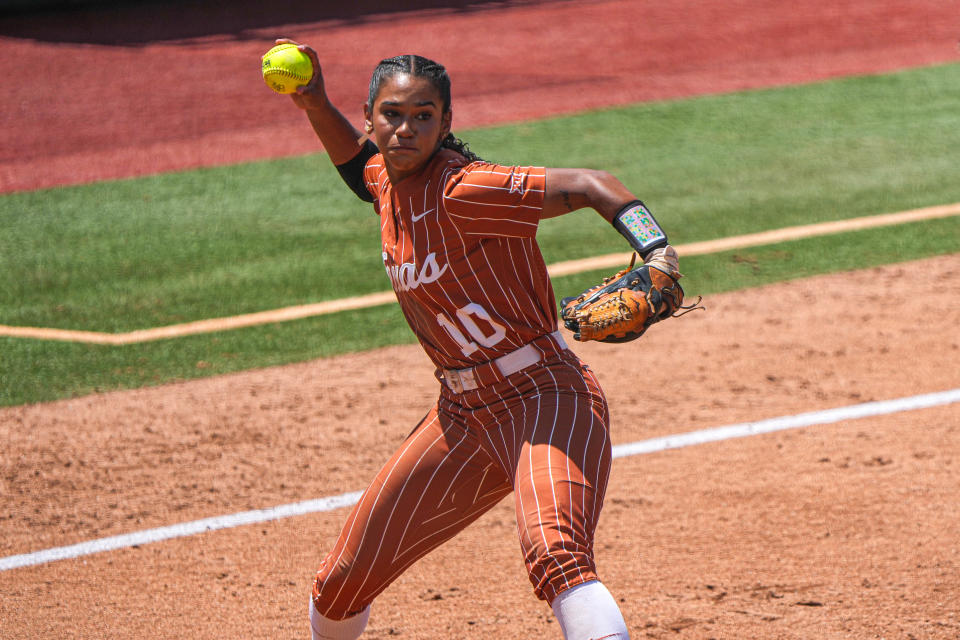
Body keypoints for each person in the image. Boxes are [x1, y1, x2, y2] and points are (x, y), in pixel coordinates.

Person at [278, 39, 681, 640]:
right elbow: (360, 170)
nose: (406, 129)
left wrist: (656, 251)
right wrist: (314, 103)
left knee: (557, 557)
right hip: (463, 416)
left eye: (423, 117)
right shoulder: (387, 183)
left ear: (446, 123)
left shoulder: (467, 189)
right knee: (340, 584)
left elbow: (596, 184)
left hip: (546, 398)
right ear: (371, 117)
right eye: (392, 114)